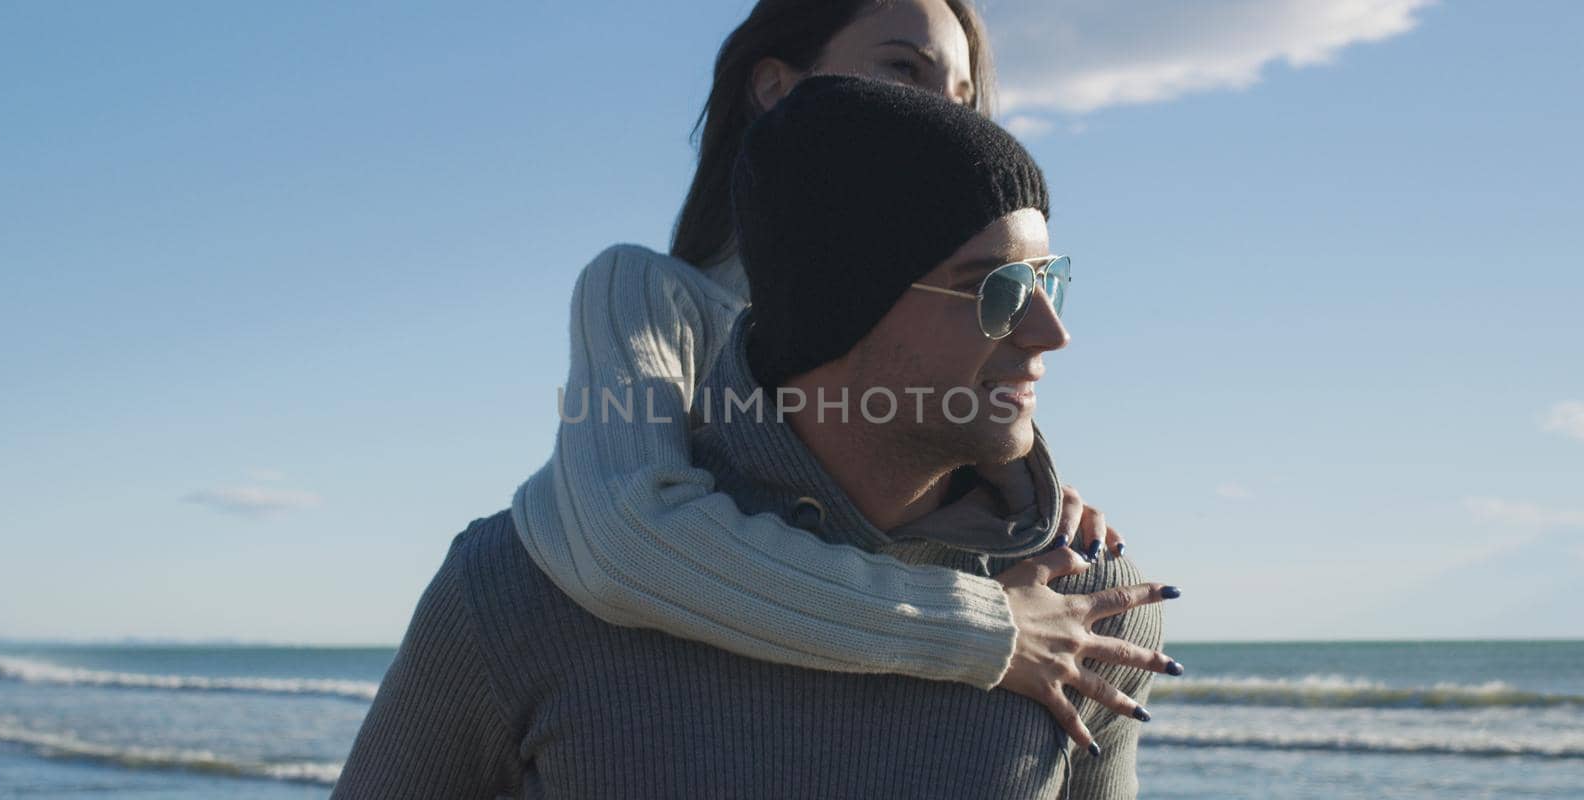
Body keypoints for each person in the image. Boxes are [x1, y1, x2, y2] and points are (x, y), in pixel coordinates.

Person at [337, 75, 1176, 799]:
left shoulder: (1090, 609)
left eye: (1047, 280)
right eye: (997, 289)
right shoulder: (519, 591)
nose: (1050, 332)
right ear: (841, 305)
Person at [514, 0, 1156, 755]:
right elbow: (625, 540)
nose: (936, 110)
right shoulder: (646, 290)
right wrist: (981, 631)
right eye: (901, 69)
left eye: (959, 95)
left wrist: (1031, 499)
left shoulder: (952, 314)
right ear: (776, 87)